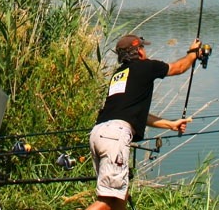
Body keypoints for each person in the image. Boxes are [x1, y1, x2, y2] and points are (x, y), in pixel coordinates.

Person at [85, 34, 203, 210]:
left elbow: (135, 114)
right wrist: (193, 53)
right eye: (143, 47)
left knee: (119, 196)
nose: (145, 51)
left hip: (99, 133)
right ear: (139, 51)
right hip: (115, 137)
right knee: (107, 201)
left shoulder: (119, 74)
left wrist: (170, 124)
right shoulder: (147, 66)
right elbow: (178, 68)